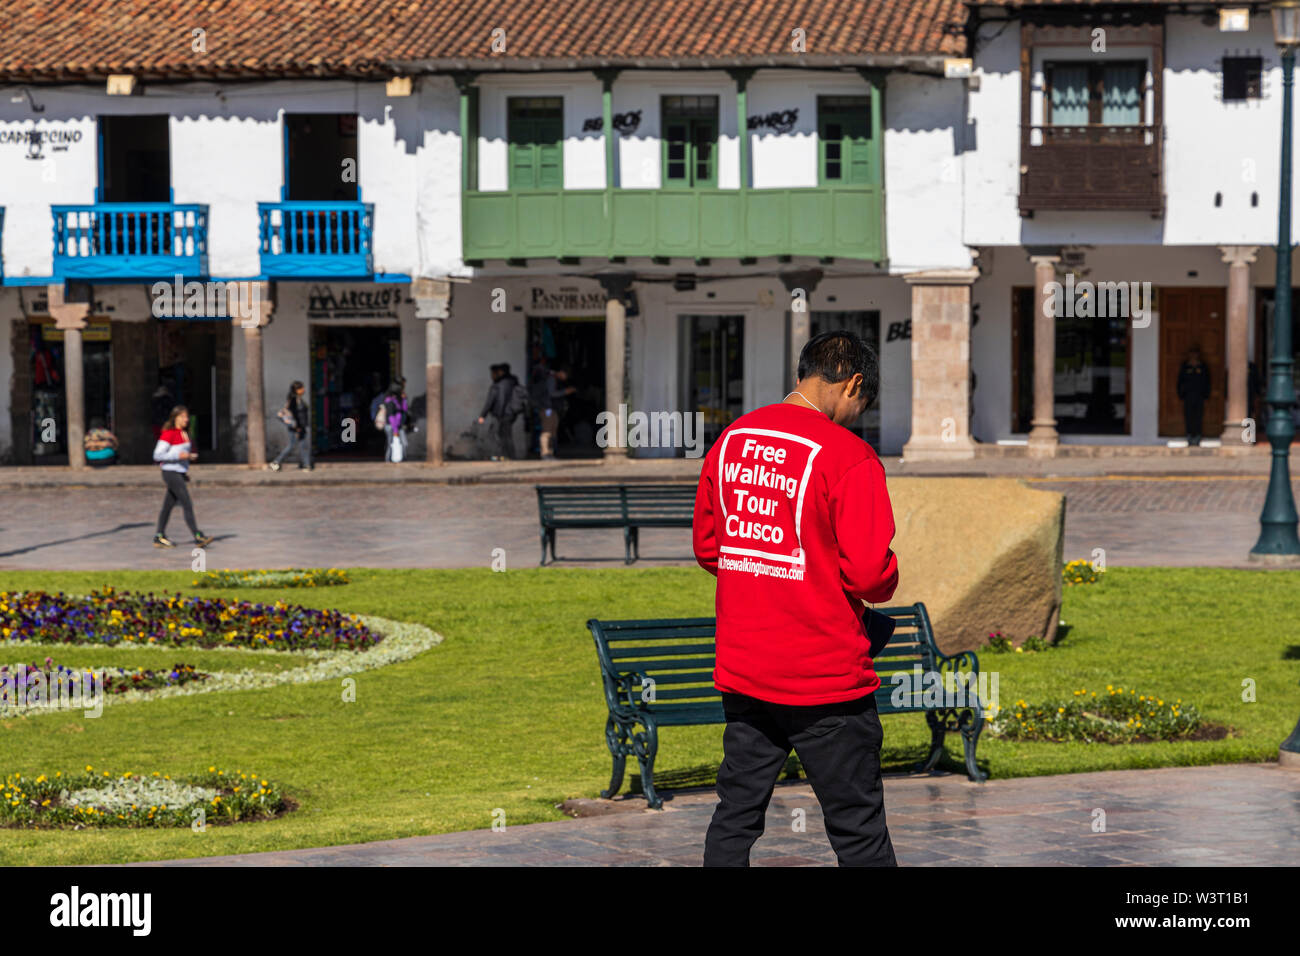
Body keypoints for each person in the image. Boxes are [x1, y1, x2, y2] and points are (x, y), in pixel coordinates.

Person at [693, 330, 899, 867]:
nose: (856, 416)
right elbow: (872, 576)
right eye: (861, 404)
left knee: (735, 816)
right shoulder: (849, 456)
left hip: (746, 671)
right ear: (853, 383)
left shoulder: (733, 439)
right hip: (824, 680)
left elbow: (710, 548)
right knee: (858, 829)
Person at [152, 405, 213, 549]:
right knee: (187, 503)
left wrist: (186, 466)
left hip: (178, 472)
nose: (186, 419)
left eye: (187, 416)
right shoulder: (169, 434)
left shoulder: (184, 433)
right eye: (183, 417)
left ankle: (159, 536)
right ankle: (198, 536)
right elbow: (157, 455)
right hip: (170, 472)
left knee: (167, 507)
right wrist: (179, 456)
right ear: (176, 418)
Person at [477, 363, 525, 461]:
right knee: (506, 435)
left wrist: (482, 415)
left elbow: (490, 401)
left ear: (500, 372)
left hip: (501, 414)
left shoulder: (497, 385)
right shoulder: (513, 382)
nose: (492, 376)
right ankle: (507, 456)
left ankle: (507, 456)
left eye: (493, 373)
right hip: (512, 413)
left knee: (501, 436)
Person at [268, 381, 312, 471]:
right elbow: (295, 415)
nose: (304, 390)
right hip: (297, 427)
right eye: (301, 388)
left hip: (299, 426)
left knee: (303, 445)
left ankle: (306, 464)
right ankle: (276, 462)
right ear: (296, 390)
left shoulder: (298, 399)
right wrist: (298, 427)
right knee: (293, 446)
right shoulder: (293, 400)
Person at [538, 366, 576, 460]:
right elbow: (552, 394)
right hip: (547, 409)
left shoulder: (554, 379)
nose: (565, 378)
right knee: (547, 431)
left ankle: (549, 454)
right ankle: (545, 453)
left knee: (552, 432)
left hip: (552, 409)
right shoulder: (551, 379)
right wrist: (565, 391)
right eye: (566, 375)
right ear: (562, 372)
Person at [1176, 346, 1211, 446]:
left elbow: (1207, 381)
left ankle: (1198, 436)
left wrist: (1206, 394)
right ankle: (1189, 435)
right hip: (1188, 396)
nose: (1193, 356)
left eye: (1195, 354)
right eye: (1192, 354)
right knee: (1188, 416)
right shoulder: (1185, 366)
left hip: (1200, 395)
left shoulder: (1203, 366)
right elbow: (1180, 381)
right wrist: (1180, 394)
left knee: (1198, 416)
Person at [382, 379, 411, 462]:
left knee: (404, 443)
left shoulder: (399, 400)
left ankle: (402, 459)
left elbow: (405, 409)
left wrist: (404, 399)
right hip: (391, 426)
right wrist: (395, 430)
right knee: (390, 444)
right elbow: (391, 416)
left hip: (399, 425)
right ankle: (388, 461)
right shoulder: (389, 400)